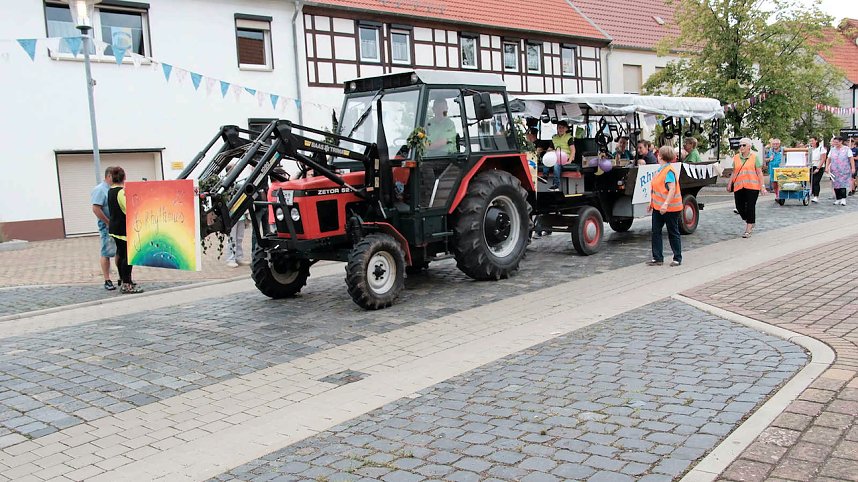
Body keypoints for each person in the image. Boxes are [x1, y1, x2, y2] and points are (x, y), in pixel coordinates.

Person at [107, 167, 143, 294]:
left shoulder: (110, 191)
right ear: (124, 178)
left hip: (115, 228)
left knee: (121, 254)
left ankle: (124, 280)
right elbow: (128, 209)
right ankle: (127, 284)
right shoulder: (121, 193)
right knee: (128, 258)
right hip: (123, 229)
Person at [647, 146, 682, 267]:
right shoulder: (660, 170)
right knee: (655, 231)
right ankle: (657, 258)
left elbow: (672, 189)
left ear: (660, 156)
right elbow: (656, 189)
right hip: (658, 207)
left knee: (673, 232)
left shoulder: (668, 171)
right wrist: (652, 203)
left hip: (670, 208)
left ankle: (677, 257)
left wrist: (666, 204)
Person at [727, 138, 767, 238]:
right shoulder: (736, 157)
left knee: (750, 207)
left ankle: (748, 229)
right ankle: (750, 220)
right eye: (740, 145)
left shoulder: (754, 157)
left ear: (749, 146)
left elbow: (759, 173)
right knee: (739, 207)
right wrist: (729, 183)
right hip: (738, 186)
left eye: (744, 145)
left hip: (752, 187)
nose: (741, 147)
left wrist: (762, 186)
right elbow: (734, 172)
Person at [91, 167, 117, 291]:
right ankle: (107, 279)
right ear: (109, 176)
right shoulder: (100, 190)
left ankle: (122, 277)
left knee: (119, 252)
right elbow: (96, 208)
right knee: (106, 252)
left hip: (117, 225)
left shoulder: (114, 189)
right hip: (106, 226)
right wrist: (107, 222)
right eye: (115, 176)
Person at [225, 163, 247, 268]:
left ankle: (239, 257)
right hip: (231, 215)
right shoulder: (225, 184)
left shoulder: (237, 183)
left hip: (240, 214)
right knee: (232, 238)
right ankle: (230, 259)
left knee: (239, 237)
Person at [546, 120, 574, 190]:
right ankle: (545, 177)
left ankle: (556, 185)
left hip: (565, 157)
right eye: (559, 127)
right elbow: (550, 148)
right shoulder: (554, 138)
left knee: (556, 164)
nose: (561, 129)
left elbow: (573, 150)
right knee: (546, 161)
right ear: (557, 129)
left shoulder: (569, 138)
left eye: (563, 128)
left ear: (566, 129)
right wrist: (546, 154)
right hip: (556, 156)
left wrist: (570, 160)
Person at [827, 136, 854, 206]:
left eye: (837, 142)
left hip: (844, 170)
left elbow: (851, 158)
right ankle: (838, 198)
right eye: (834, 142)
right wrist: (827, 167)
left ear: (841, 141)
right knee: (836, 185)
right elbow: (829, 158)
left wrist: (853, 168)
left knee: (843, 184)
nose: (835, 143)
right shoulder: (832, 150)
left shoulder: (847, 149)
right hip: (834, 170)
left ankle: (843, 198)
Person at [809, 136, 827, 203]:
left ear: (816, 141)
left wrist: (818, 168)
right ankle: (813, 193)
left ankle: (816, 196)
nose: (811, 142)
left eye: (812, 141)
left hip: (819, 166)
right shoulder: (810, 148)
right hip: (811, 166)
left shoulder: (821, 148)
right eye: (810, 141)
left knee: (816, 181)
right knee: (811, 181)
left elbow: (823, 158)